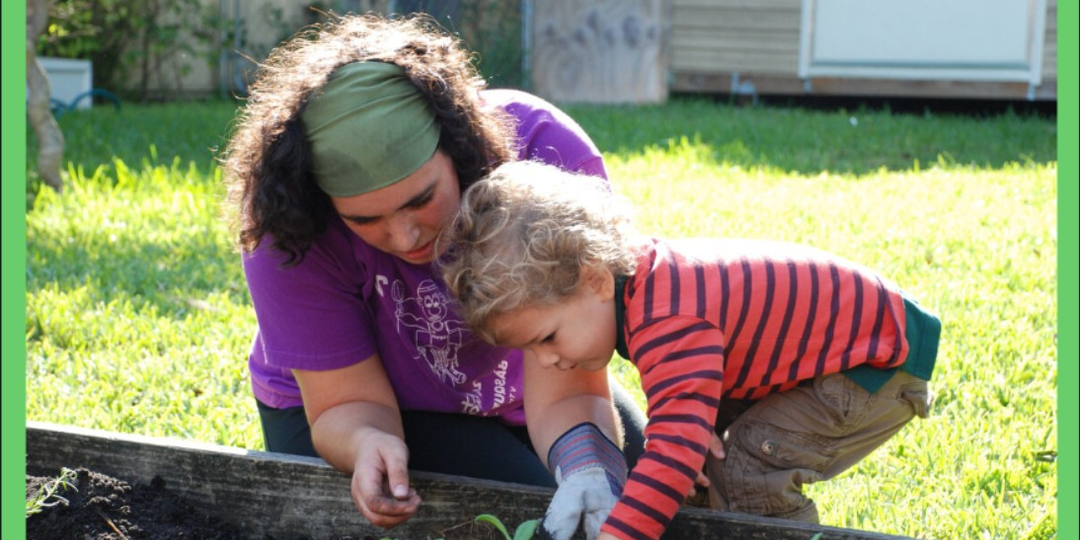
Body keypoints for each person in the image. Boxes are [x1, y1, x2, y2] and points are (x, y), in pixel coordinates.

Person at [221, 13, 647, 531]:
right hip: (347, 409)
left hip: (517, 385)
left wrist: (584, 466)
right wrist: (368, 444)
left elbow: (570, 387)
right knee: (533, 509)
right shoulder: (286, 225)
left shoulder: (543, 155)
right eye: (364, 219)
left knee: (640, 493)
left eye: (422, 199)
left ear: (458, 150)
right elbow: (345, 403)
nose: (406, 238)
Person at [440, 160, 941, 540]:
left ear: (593, 278)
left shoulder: (666, 318)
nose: (547, 362)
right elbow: (686, 430)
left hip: (874, 365)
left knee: (748, 467)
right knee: (706, 464)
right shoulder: (639, 289)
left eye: (546, 337)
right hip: (836, 355)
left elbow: (673, 453)